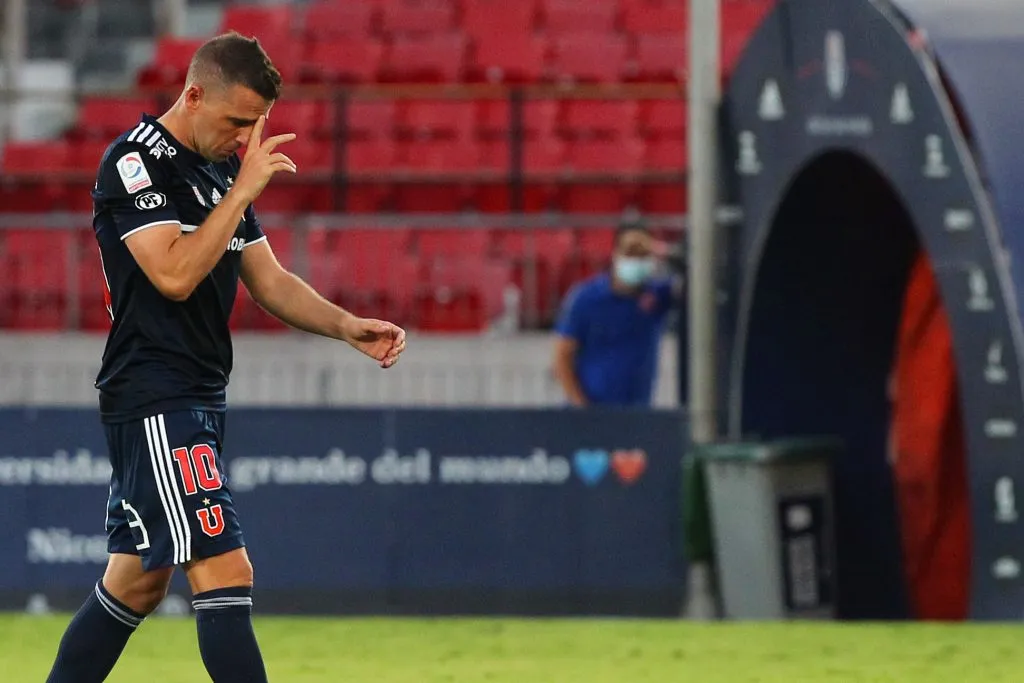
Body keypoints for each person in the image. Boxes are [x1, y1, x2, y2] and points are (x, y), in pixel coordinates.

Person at [45, 32, 406, 683]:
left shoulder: (217, 171)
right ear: (193, 94)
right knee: (226, 571)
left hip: (196, 393)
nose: (245, 138)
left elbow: (268, 281)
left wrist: (347, 324)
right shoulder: (136, 161)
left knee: (136, 584)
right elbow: (175, 275)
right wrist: (241, 191)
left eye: (254, 124)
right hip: (156, 394)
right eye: (237, 121)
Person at [552, 220, 677, 407]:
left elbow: (696, 275)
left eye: (643, 254)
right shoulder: (586, 298)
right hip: (592, 411)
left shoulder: (657, 296)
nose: (637, 260)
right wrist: (580, 405)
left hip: (637, 415)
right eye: (631, 252)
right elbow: (562, 355)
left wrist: (667, 252)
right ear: (616, 254)